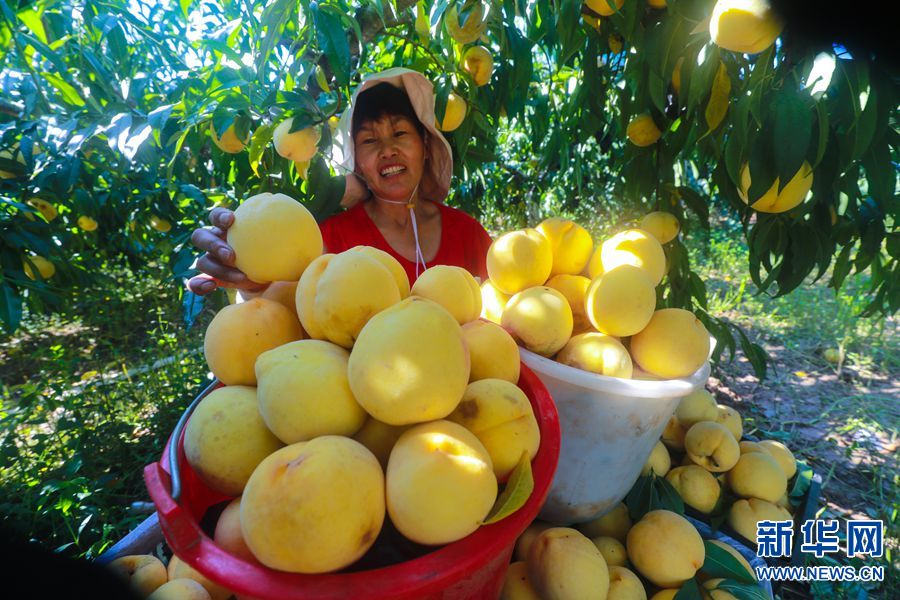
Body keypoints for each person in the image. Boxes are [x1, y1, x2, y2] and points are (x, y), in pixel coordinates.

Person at [188, 68, 493, 296]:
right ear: (357, 161)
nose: (388, 150)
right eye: (370, 140)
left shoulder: (469, 235)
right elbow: (285, 304)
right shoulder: (331, 242)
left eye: (400, 133)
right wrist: (252, 275)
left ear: (426, 146)